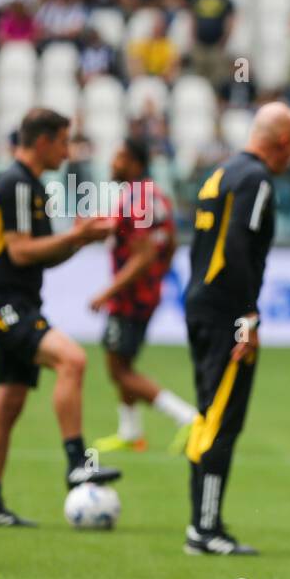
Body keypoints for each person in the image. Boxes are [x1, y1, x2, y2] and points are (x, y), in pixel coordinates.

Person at [0, 108, 122, 527]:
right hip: (3, 306)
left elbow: (43, 256)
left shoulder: (33, 187)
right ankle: (77, 462)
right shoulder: (15, 184)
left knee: (6, 403)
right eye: (62, 141)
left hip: (20, 304)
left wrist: (79, 239)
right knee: (72, 360)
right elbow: (19, 252)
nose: (66, 150)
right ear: (42, 142)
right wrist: (76, 236)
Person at [183, 101, 290, 555]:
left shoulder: (222, 173)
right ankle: (205, 529)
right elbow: (236, 245)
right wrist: (248, 315)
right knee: (223, 420)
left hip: (201, 304)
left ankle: (202, 523)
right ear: (283, 144)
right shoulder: (256, 180)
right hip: (226, 313)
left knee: (208, 413)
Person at [90, 138, 198, 455]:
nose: (113, 163)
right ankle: (131, 432)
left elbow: (143, 254)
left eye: (120, 157)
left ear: (135, 163)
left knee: (118, 369)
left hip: (129, 297)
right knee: (123, 361)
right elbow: (170, 243)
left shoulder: (137, 198)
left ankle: (188, 418)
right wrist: (157, 278)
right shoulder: (155, 195)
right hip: (145, 293)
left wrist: (106, 292)